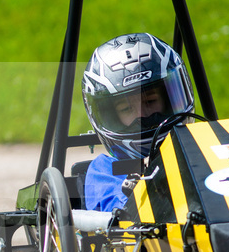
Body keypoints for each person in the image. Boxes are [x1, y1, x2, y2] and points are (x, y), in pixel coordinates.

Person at [80, 33, 195, 211]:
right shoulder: (104, 170)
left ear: (169, 100)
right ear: (111, 116)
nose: (143, 115)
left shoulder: (200, 147)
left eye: (150, 101)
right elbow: (114, 214)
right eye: (126, 109)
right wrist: (140, 188)